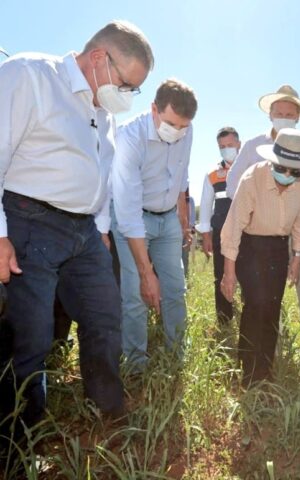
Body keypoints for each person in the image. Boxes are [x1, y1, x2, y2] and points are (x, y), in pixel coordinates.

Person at [0, 21, 153, 436]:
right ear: (100, 58)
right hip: (29, 223)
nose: (128, 97)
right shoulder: (30, 75)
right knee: (29, 339)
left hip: (85, 234)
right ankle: (20, 440)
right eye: (127, 85)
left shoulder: (102, 115)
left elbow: (99, 173)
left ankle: (109, 412)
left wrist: (101, 229)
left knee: (105, 319)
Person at [226, 85, 300, 363]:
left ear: (299, 117)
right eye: (280, 112)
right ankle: (268, 356)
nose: (285, 116)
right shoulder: (253, 146)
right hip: (262, 235)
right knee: (264, 299)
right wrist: (256, 211)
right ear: (270, 114)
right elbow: (232, 185)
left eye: (291, 113)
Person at [220, 129, 300, 387]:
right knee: (256, 304)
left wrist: (296, 260)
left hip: (279, 248)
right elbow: (234, 225)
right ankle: (249, 371)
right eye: (282, 168)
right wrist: (228, 273)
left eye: (294, 171)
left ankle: (265, 369)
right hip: (251, 246)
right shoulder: (253, 176)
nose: (287, 175)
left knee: (272, 307)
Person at [112, 79, 197, 372]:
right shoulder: (129, 137)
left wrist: (183, 219)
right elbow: (128, 213)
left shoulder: (186, 130)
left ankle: (177, 354)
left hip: (168, 218)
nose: (178, 133)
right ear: (153, 109)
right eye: (172, 124)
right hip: (133, 219)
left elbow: (182, 175)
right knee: (136, 293)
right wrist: (147, 273)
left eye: (184, 127)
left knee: (175, 289)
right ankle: (136, 364)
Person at [198, 127, 242, 325]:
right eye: (222, 147)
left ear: (239, 144)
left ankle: (250, 317)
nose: (226, 149)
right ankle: (224, 319)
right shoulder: (213, 174)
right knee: (220, 275)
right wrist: (206, 236)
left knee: (248, 274)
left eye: (230, 145)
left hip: (248, 232)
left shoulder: (250, 168)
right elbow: (206, 206)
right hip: (221, 233)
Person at [182, 188, 196, 279]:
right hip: (172, 231)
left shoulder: (190, 200)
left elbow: (192, 218)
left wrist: (188, 231)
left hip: (185, 232)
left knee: (184, 256)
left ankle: (185, 278)